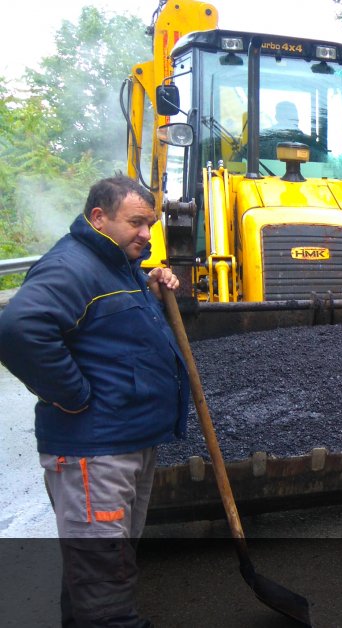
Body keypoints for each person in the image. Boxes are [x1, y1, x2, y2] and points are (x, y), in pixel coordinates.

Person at [0, 175, 189, 627]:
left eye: (151, 224)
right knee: (105, 574)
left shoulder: (116, 264)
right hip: (95, 451)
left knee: (102, 565)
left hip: (128, 441)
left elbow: (107, 326)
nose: (147, 233)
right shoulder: (71, 266)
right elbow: (19, 329)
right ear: (99, 217)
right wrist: (73, 395)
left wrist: (152, 283)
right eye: (137, 223)